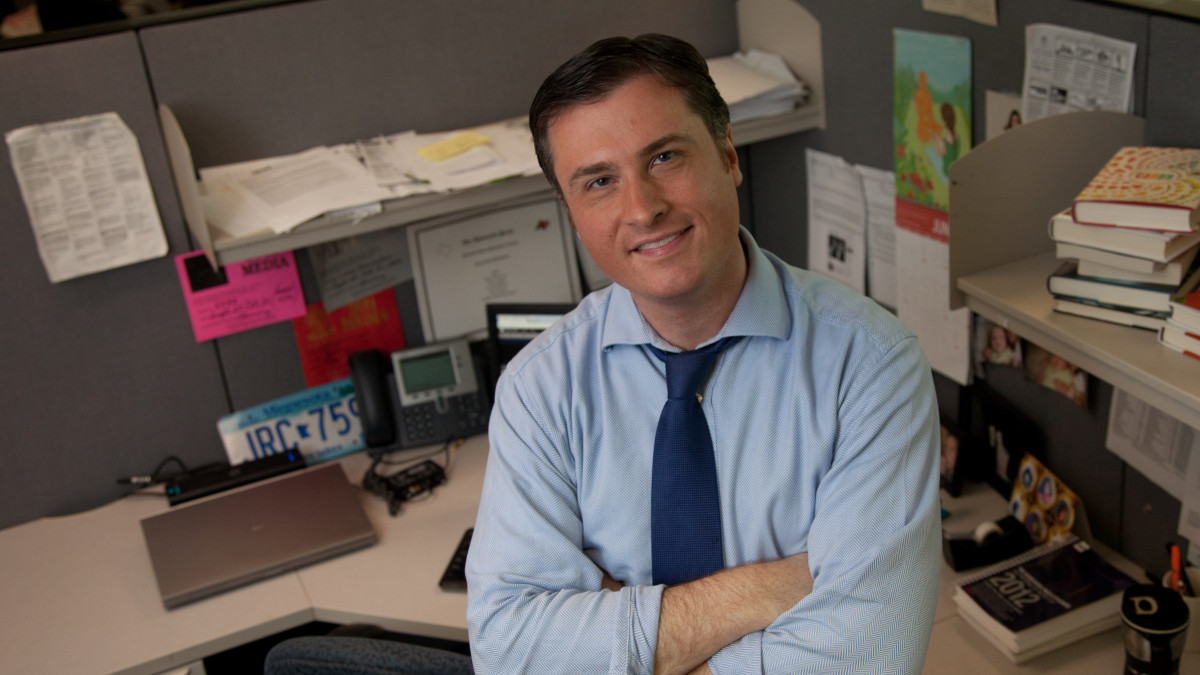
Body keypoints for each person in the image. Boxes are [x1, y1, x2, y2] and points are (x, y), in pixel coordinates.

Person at [466, 34, 941, 674]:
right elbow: (511, 652)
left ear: (726, 154)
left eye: (664, 157)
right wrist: (770, 587)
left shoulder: (869, 367)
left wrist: (613, 617)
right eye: (599, 181)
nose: (643, 208)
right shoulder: (541, 387)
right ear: (572, 213)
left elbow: (864, 661)